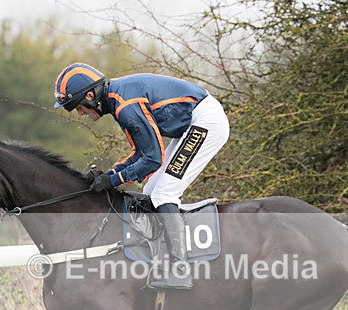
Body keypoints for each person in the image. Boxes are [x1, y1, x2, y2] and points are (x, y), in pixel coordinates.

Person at [53, 63, 230, 290]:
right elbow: (141, 153)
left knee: (164, 193)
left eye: (78, 107)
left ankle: (181, 270)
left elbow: (153, 159)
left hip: (205, 121)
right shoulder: (118, 101)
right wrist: (110, 174)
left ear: (90, 95)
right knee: (150, 191)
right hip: (193, 122)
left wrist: (114, 180)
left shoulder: (125, 106)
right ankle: (162, 259)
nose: (80, 113)